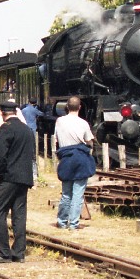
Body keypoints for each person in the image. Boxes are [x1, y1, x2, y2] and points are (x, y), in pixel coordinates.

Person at [0, 101, 36, 264]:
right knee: (19, 215)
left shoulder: (6, 129)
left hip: (8, 178)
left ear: (1, 113)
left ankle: (4, 252)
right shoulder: (27, 130)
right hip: (24, 178)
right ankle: (19, 252)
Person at [54, 96, 95, 231]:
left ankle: (61, 221)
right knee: (78, 193)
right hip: (80, 158)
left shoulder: (59, 121)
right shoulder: (83, 123)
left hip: (66, 158)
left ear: (67, 107)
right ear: (80, 107)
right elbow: (89, 141)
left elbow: (57, 139)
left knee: (66, 192)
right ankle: (73, 224)